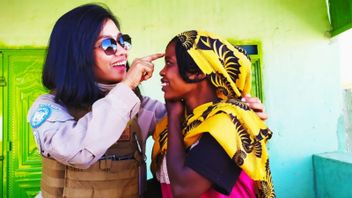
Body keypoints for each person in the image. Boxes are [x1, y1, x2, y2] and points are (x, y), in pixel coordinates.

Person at [27, 3, 268, 198]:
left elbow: (194, 125)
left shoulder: (138, 106)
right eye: (109, 45)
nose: (123, 51)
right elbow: (76, 149)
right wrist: (127, 86)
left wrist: (239, 112)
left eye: (123, 41)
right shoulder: (49, 108)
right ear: (76, 53)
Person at [151, 30, 275, 198]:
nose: (162, 72)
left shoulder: (229, 122)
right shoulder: (177, 125)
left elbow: (183, 189)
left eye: (169, 63)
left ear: (198, 72)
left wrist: (173, 117)